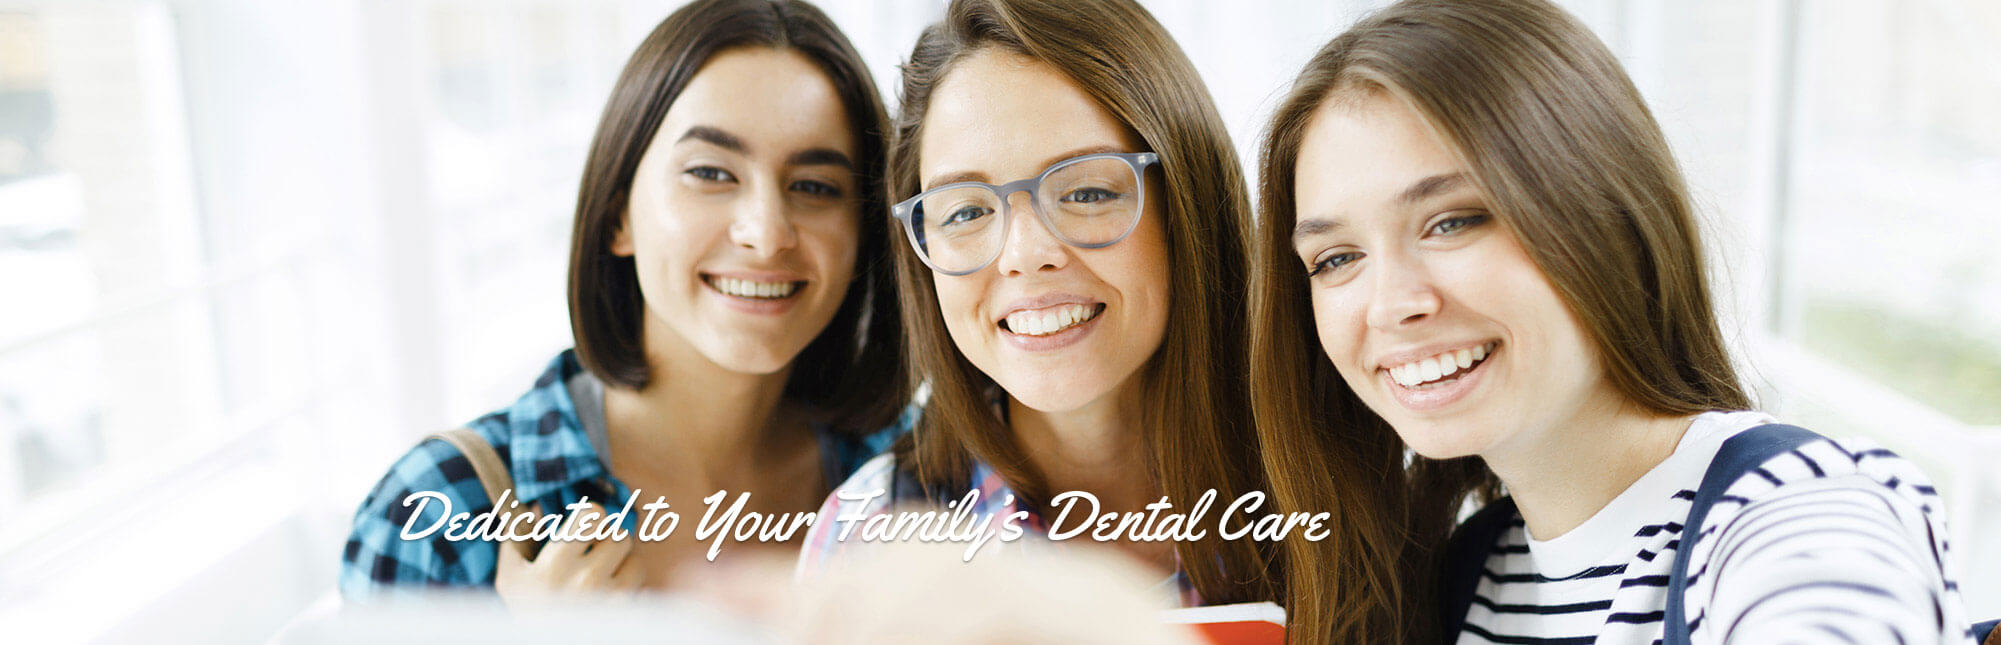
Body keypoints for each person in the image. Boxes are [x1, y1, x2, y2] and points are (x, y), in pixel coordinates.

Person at [1250, 0, 1973, 642]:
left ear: (1604, 216)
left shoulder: (1794, 506)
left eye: (1452, 221)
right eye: (1336, 258)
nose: (1389, 303)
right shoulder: (1463, 577)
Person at [341, 0, 909, 599]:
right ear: (618, 215)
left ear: (864, 233)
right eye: (711, 173)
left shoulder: (919, 479)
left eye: (815, 187)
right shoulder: (435, 518)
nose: (766, 233)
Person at [797, 0, 1295, 610]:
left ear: (1187, 203)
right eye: (966, 211)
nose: (1024, 254)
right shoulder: (867, 537)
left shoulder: (1330, 490)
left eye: (1086, 190)